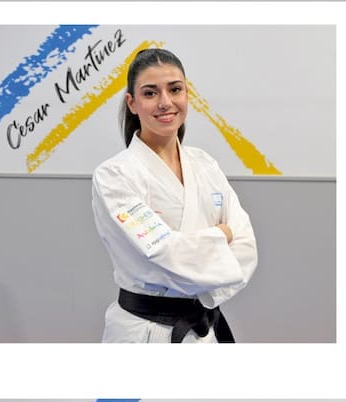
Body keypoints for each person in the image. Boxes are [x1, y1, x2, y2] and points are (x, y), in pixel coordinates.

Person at [92, 48, 257, 343]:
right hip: (144, 332)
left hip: (205, 332)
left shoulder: (205, 164)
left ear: (187, 95)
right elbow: (163, 253)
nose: (165, 102)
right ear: (132, 103)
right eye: (150, 93)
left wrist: (189, 252)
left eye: (175, 89)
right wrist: (222, 234)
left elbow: (246, 246)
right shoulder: (115, 175)